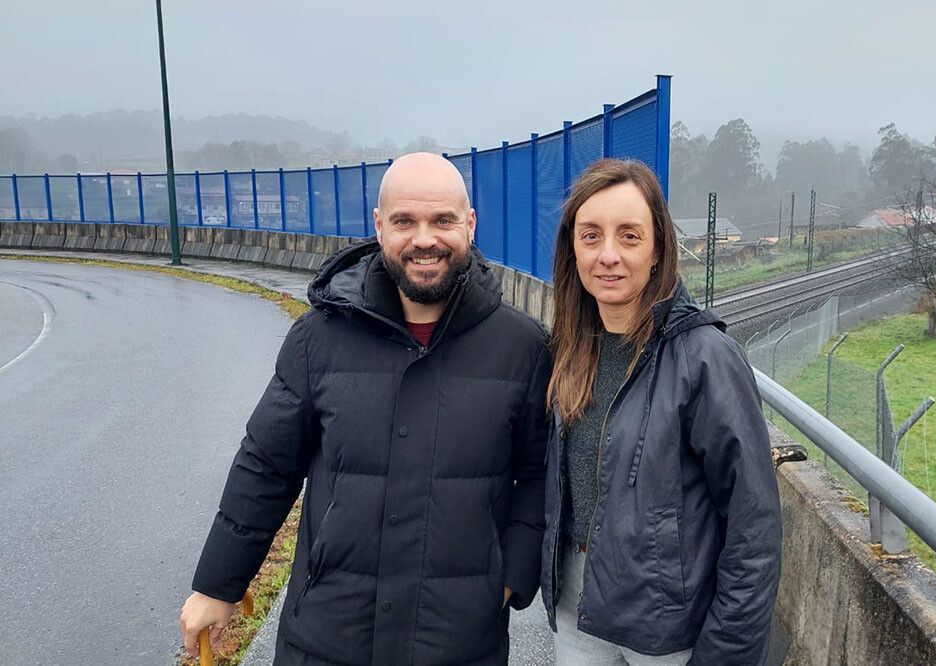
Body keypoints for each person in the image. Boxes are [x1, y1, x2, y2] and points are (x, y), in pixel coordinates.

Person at [179, 153, 552, 665]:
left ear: (470, 224)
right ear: (379, 227)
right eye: (405, 221)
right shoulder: (319, 336)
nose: (425, 239)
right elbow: (267, 464)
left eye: (442, 220)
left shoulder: (524, 347)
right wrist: (218, 584)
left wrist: (511, 578)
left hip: (461, 642)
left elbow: (537, 476)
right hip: (326, 637)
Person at [541, 158, 782, 665]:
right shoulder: (567, 348)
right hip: (575, 609)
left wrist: (727, 654)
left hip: (668, 629)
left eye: (629, 236)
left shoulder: (704, 356)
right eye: (591, 236)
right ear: (572, 250)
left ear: (657, 252)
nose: (608, 255)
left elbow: (753, 526)